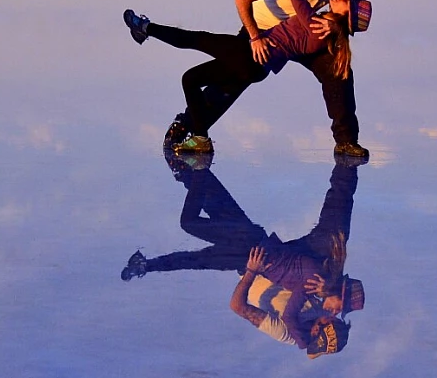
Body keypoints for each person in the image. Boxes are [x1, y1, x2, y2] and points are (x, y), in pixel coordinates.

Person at [128, 0, 371, 157]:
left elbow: (338, 16)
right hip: (259, 34)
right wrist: (255, 37)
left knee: (339, 71)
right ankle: (189, 126)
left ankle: (346, 141)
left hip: (284, 43)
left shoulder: (325, 17)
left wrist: (337, 25)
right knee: (224, 87)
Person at [121, 152, 367, 357]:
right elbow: (338, 219)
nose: (334, 312)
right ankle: (190, 162)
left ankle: (188, 162)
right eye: (338, 310)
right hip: (254, 246)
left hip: (248, 260)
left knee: (205, 234)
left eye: (336, 315)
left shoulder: (290, 332)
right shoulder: (323, 286)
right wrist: (347, 163)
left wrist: (251, 271)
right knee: (203, 218)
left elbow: (239, 306)